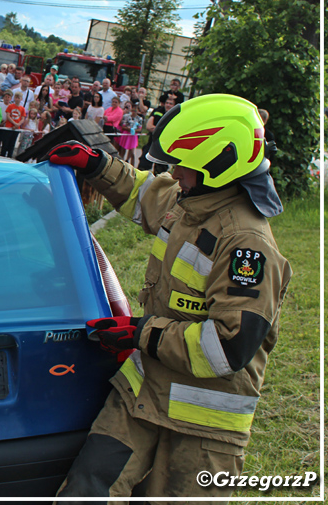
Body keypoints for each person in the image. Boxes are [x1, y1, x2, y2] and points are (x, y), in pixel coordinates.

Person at [49, 94, 291, 500]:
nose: (175, 173)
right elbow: (145, 192)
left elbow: (228, 346)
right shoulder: (191, 203)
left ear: (219, 167)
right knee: (85, 491)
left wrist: (141, 333)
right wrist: (96, 165)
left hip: (204, 429)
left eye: (184, 165)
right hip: (141, 399)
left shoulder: (246, 244)